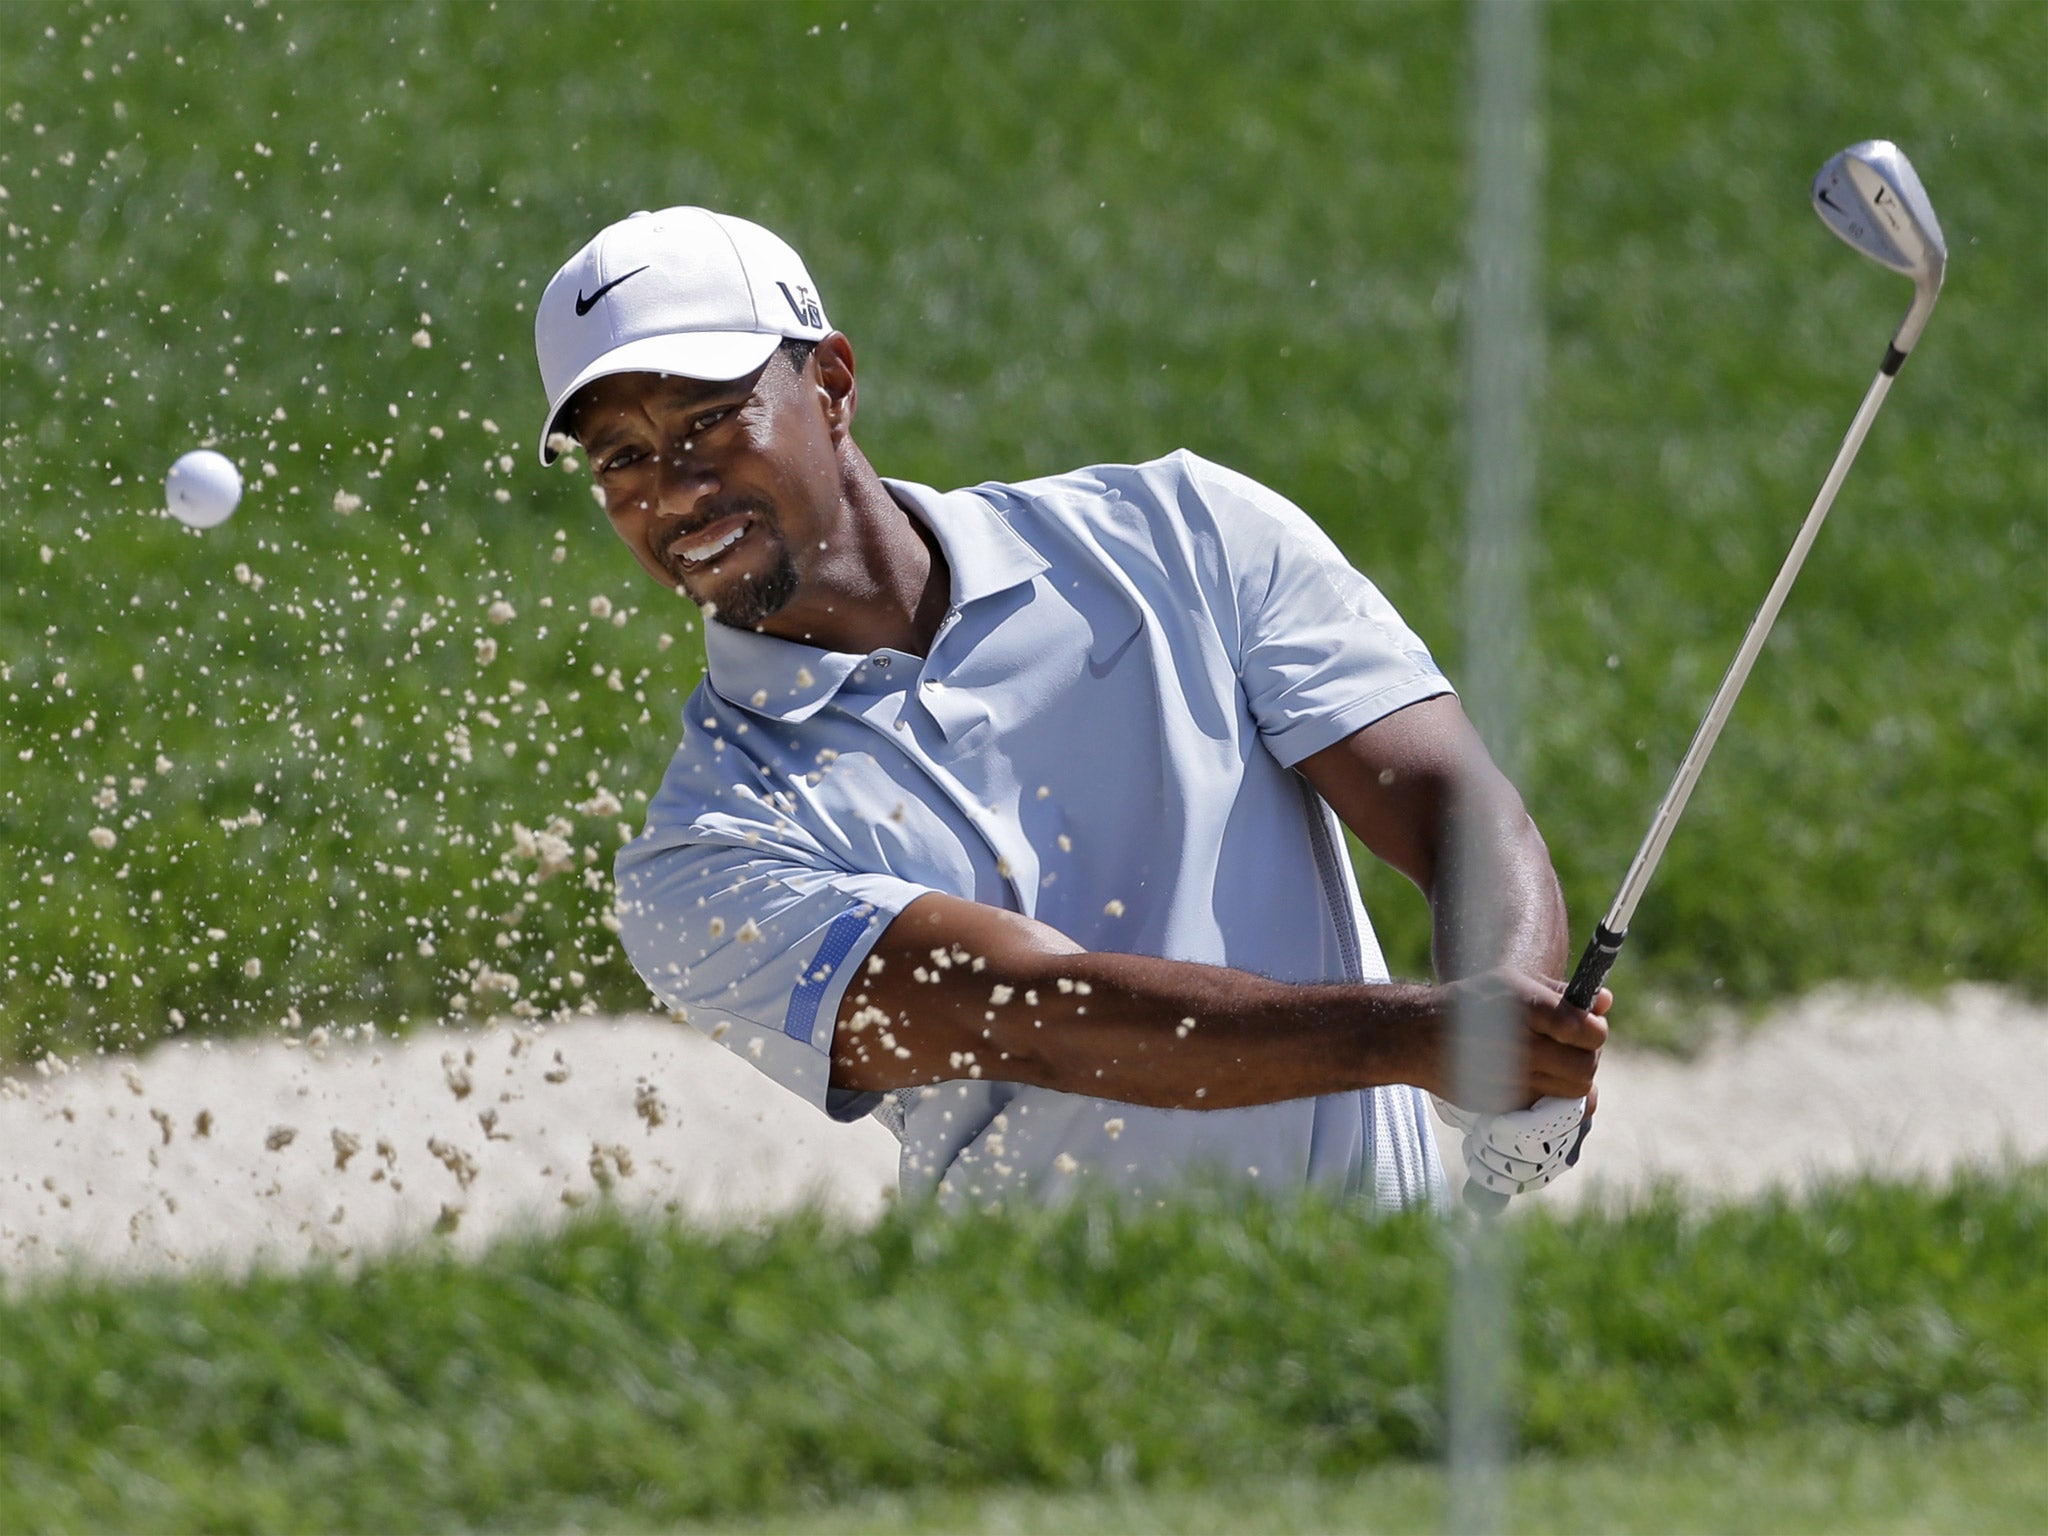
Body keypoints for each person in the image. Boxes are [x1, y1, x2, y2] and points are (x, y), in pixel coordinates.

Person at [532, 206, 1607, 1210]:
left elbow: (1446, 805)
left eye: (711, 420)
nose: (669, 491)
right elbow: (1037, 1016)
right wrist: (1419, 1038)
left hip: (1372, 1293)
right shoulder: (703, 859)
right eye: (619, 457)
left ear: (832, 382)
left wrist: (1511, 1017)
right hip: (1059, 1375)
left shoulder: (1185, 532)